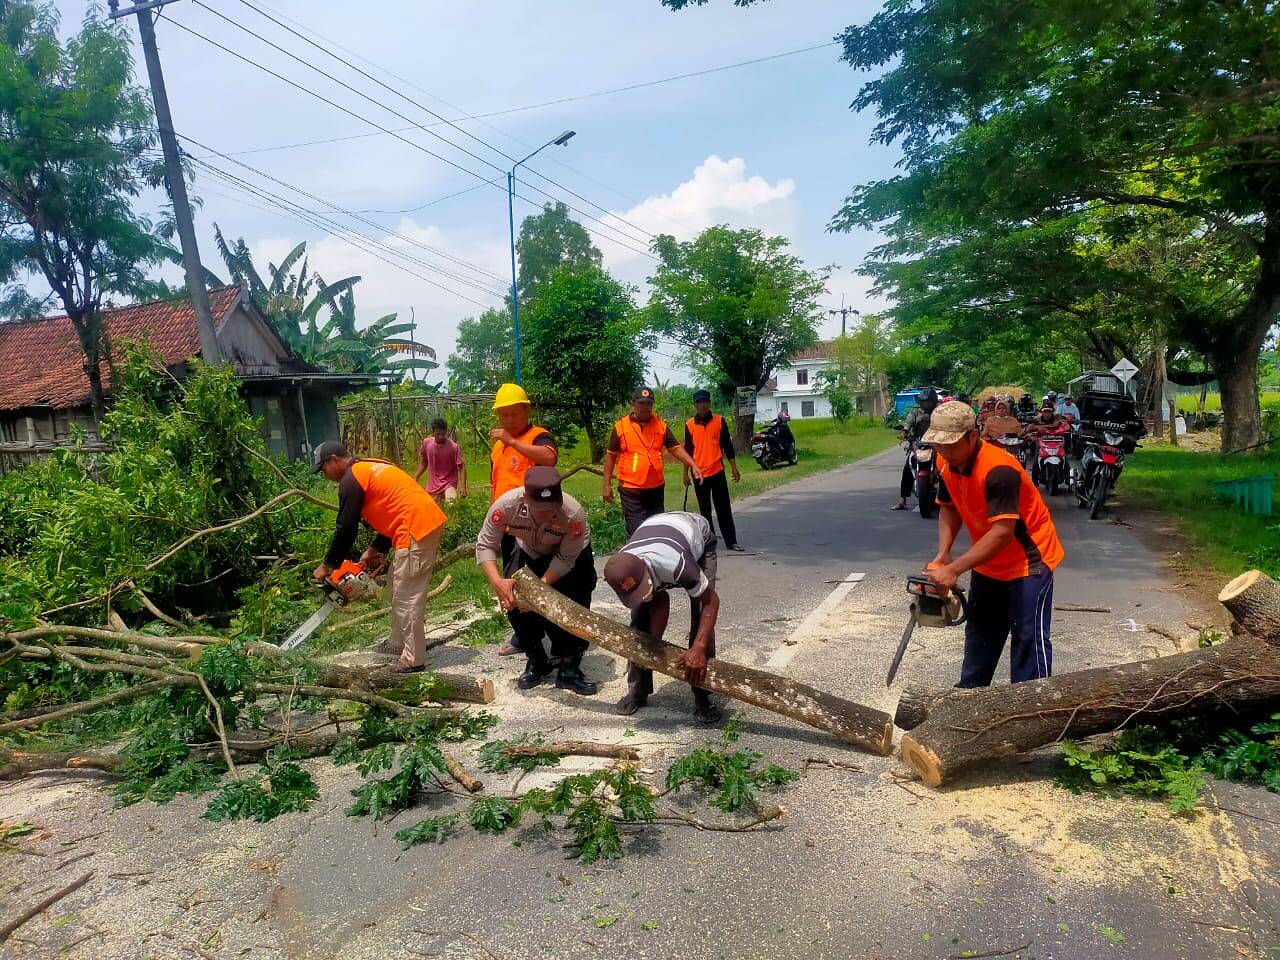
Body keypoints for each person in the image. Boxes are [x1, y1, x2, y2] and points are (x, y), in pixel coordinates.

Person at [919, 401, 1063, 687]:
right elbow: (948, 506)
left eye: (950, 445)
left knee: (1027, 639)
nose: (944, 452)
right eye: (939, 445)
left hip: (1028, 562)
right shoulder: (945, 461)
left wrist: (954, 570)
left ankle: (1030, 710)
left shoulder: (999, 470)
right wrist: (944, 553)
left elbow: (1002, 533)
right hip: (987, 561)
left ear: (973, 436)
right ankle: (969, 702)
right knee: (981, 634)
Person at [313, 440, 447, 673]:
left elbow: (346, 528)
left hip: (414, 529)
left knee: (406, 596)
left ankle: (413, 659)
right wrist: (375, 549)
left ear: (334, 460)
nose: (324, 475)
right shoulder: (368, 468)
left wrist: (327, 565)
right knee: (398, 587)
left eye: (323, 469)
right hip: (419, 523)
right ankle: (398, 643)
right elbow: (394, 507)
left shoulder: (351, 480)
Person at [475, 466, 598, 695]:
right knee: (514, 599)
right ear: (525, 498)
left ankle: (570, 668)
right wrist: (497, 582)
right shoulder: (506, 505)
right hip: (528, 549)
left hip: (568, 556)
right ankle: (536, 659)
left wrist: (541, 586)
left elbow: (565, 560)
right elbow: (485, 545)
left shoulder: (573, 514)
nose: (546, 514)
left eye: (551, 508)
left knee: (577, 599)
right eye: (539, 509)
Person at [603, 511, 721, 723]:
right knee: (640, 619)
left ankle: (703, 696)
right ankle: (638, 690)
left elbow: (711, 602)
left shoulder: (678, 566)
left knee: (701, 619)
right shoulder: (622, 565)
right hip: (658, 532)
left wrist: (698, 648)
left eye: (643, 587)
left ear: (647, 571)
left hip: (695, 535)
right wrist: (651, 646)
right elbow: (659, 600)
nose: (642, 593)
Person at [489, 382, 558, 656]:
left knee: (539, 581)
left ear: (527, 411)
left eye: (514, 414)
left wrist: (515, 442)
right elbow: (497, 484)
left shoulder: (538, 436)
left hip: (533, 526)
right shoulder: (498, 447)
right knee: (512, 581)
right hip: (506, 525)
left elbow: (549, 459)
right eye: (503, 415)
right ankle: (525, 637)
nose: (508, 420)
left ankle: (553, 640)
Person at [602, 386, 703, 536]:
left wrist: (693, 465)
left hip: (656, 487)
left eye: (648, 403)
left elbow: (675, 448)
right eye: (641, 403)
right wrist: (606, 485)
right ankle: (637, 558)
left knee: (657, 528)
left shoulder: (661, 426)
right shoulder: (620, 427)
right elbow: (610, 456)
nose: (645, 407)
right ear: (633, 404)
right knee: (637, 531)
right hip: (631, 488)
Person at [683, 389, 744, 551]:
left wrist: (734, 468)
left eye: (704, 401)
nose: (702, 405)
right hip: (698, 474)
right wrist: (685, 474)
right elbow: (687, 451)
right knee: (705, 511)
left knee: (723, 507)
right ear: (695, 405)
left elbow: (727, 446)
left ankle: (731, 541)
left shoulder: (719, 421)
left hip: (717, 471)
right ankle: (709, 543)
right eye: (698, 402)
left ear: (709, 403)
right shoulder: (689, 425)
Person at [892, 387, 939, 510]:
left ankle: (952, 498)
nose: (925, 404)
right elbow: (907, 424)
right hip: (919, 445)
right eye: (923, 402)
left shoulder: (939, 413)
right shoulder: (914, 413)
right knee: (907, 468)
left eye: (928, 402)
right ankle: (902, 500)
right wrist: (904, 432)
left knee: (947, 467)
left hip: (937, 445)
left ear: (933, 402)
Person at [415, 417, 466, 505]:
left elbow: (461, 467)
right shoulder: (426, 444)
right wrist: (416, 477)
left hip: (449, 483)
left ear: (446, 432)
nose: (441, 437)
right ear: (433, 432)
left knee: (451, 506)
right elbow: (424, 462)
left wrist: (463, 486)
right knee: (432, 511)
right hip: (433, 485)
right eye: (438, 434)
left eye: (443, 434)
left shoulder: (453, 447)